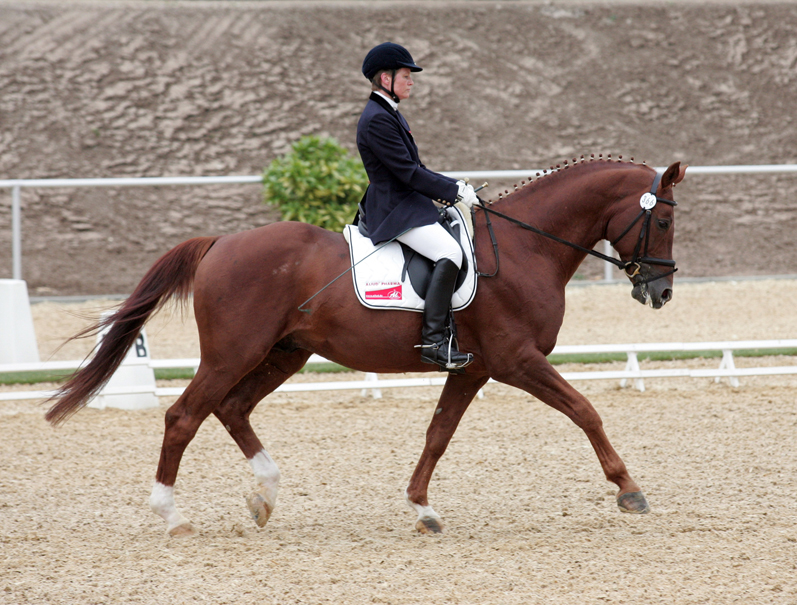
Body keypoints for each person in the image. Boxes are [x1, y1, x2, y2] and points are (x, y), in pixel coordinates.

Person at [356, 42, 478, 371]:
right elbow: (408, 174)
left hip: (409, 202)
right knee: (450, 253)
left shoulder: (389, 114)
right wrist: (453, 192)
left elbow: (417, 168)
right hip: (396, 209)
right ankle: (434, 341)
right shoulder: (377, 120)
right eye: (406, 75)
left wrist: (456, 187)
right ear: (385, 78)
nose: (412, 81)